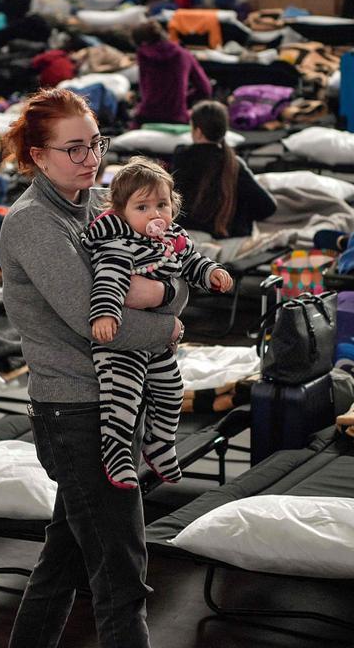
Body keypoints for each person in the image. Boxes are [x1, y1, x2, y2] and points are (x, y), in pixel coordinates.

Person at [0, 88, 187, 648]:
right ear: (37, 156)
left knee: (65, 561)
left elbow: (176, 269)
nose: (91, 159)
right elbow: (95, 320)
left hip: (113, 400)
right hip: (75, 411)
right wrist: (170, 326)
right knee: (121, 574)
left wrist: (164, 293)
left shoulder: (102, 205)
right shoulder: (36, 223)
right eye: (74, 149)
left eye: (95, 144)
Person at [84, 157, 231, 489]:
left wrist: (211, 274)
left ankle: (160, 443)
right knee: (123, 395)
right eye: (143, 207)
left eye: (162, 204)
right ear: (121, 212)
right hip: (123, 340)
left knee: (171, 391)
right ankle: (117, 452)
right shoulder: (117, 245)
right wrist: (105, 314)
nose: (155, 214)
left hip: (157, 341)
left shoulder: (174, 239)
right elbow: (108, 281)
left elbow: (192, 260)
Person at [174, 100, 277, 238]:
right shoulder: (234, 164)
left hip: (190, 233)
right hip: (230, 235)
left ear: (198, 131)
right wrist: (243, 215)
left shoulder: (182, 157)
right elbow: (268, 207)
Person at [131, 21, 211, 124]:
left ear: (141, 43)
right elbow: (206, 89)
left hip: (147, 116)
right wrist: (183, 99)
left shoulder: (143, 55)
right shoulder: (184, 55)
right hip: (177, 117)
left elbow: (146, 90)